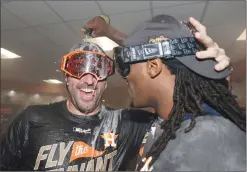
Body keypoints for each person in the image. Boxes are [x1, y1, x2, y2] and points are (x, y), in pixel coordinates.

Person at [0, 15, 232, 171]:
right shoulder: (32, 119)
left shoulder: (128, 122)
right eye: (78, 69)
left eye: (99, 70)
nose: (89, 79)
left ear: (107, 82)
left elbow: (186, 104)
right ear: (66, 78)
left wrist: (214, 71)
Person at [112, 14, 246, 171]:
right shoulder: (166, 124)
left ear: (153, 66)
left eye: (125, 67)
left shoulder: (205, 139)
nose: (125, 77)